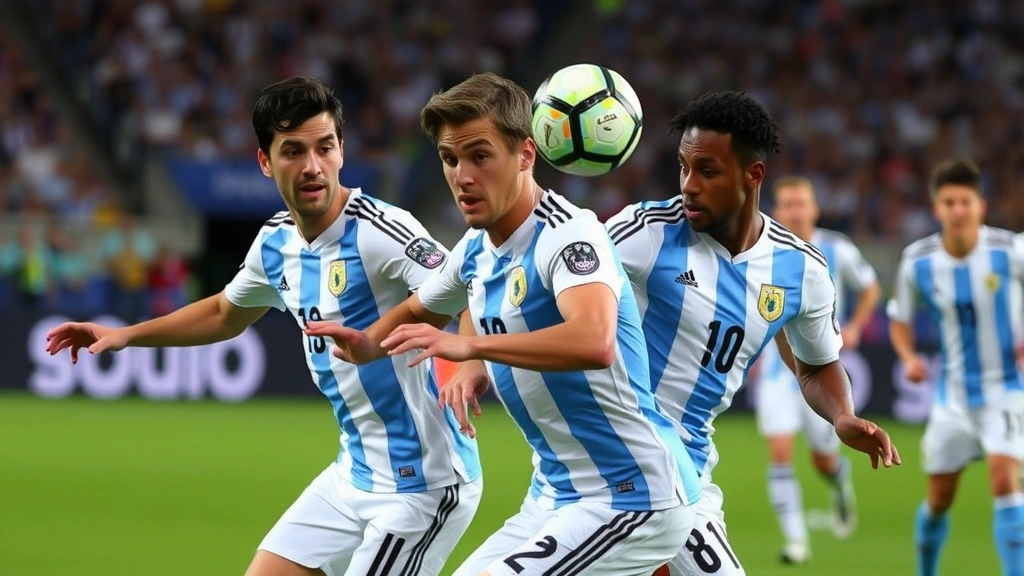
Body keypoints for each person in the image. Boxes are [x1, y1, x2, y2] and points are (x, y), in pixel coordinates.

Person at [44, 76, 482, 576]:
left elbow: (464, 284)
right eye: (293, 151)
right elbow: (225, 313)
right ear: (265, 162)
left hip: (423, 482)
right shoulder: (275, 243)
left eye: (325, 147)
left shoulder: (383, 231)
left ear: (342, 151)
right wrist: (125, 335)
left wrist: (468, 358)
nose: (313, 166)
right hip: (353, 473)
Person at [305, 72, 702, 576]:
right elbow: (420, 308)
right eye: (450, 159)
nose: (462, 175)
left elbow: (594, 340)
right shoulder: (474, 250)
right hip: (556, 495)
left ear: (526, 155)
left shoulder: (568, 235)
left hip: (631, 494)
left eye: (480, 156)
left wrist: (472, 348)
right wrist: (367, 344)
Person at [604, 90, 900, 576]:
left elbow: (817, 365)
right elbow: (549, 274)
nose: (688, 186)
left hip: (689, 467)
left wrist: (842, 416)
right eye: (683, 168)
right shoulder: (644, 232)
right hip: (616, 457)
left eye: (707, 171)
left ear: (753, 175)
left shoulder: (800, 269)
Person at [888, 159, 1024, 576]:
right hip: (953, 397)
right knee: (939, 499)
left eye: (965, 201)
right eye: (949, 202)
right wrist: (910, 358)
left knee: (1004, 478)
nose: (958, 210)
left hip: (1006, 388)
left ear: (981, 206)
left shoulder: (1010, 250)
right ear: (937, 209)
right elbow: (899, 321)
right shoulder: (919, 261)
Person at [752, 176, 881, 562]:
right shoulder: (762, 250)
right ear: (776, 210)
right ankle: (797, 542)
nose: (793, 211)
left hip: (822, 369)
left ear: (815, 209)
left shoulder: (836, 249)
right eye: (786, 204)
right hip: (778, 372)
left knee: (824, 460)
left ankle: (840, 486)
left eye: (800, 203)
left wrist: (856, 324)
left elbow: (871, 286)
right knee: (779, 451)